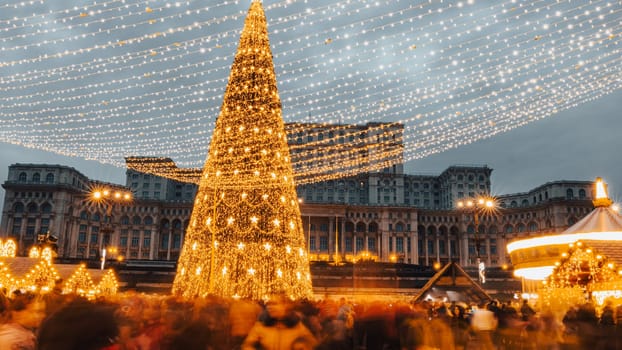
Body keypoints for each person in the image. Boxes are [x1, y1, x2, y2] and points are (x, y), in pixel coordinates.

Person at [242, 294, 316, 350]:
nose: (269, 307)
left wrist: (302, 344)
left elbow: (312, 343)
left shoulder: (297, 325)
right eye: (268, 304)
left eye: (274, 303)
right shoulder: (261, 324)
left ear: (285, 306)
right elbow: (247, 345)